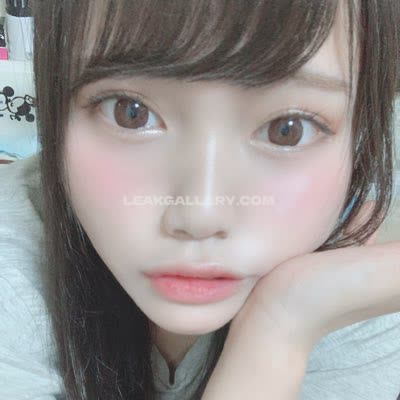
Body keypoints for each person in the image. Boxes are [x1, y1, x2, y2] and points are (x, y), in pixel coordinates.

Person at [1, 0, 399, 399]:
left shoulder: (357, 300)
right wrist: (279, 333)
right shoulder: (11, 255)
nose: (200, 216)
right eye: (130, 113)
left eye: (287, 130)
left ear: (360, 135)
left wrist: (285, 320)